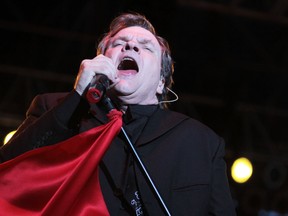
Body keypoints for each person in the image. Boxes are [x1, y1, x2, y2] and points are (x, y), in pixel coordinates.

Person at [0, 12, 236, 215]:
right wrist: (77, 96)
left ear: (161, 82)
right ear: (99, 61)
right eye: (118, 43)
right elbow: (7, 173)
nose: (131, 46)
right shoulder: (55, 108)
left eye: (145, 47)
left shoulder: (200, 142)